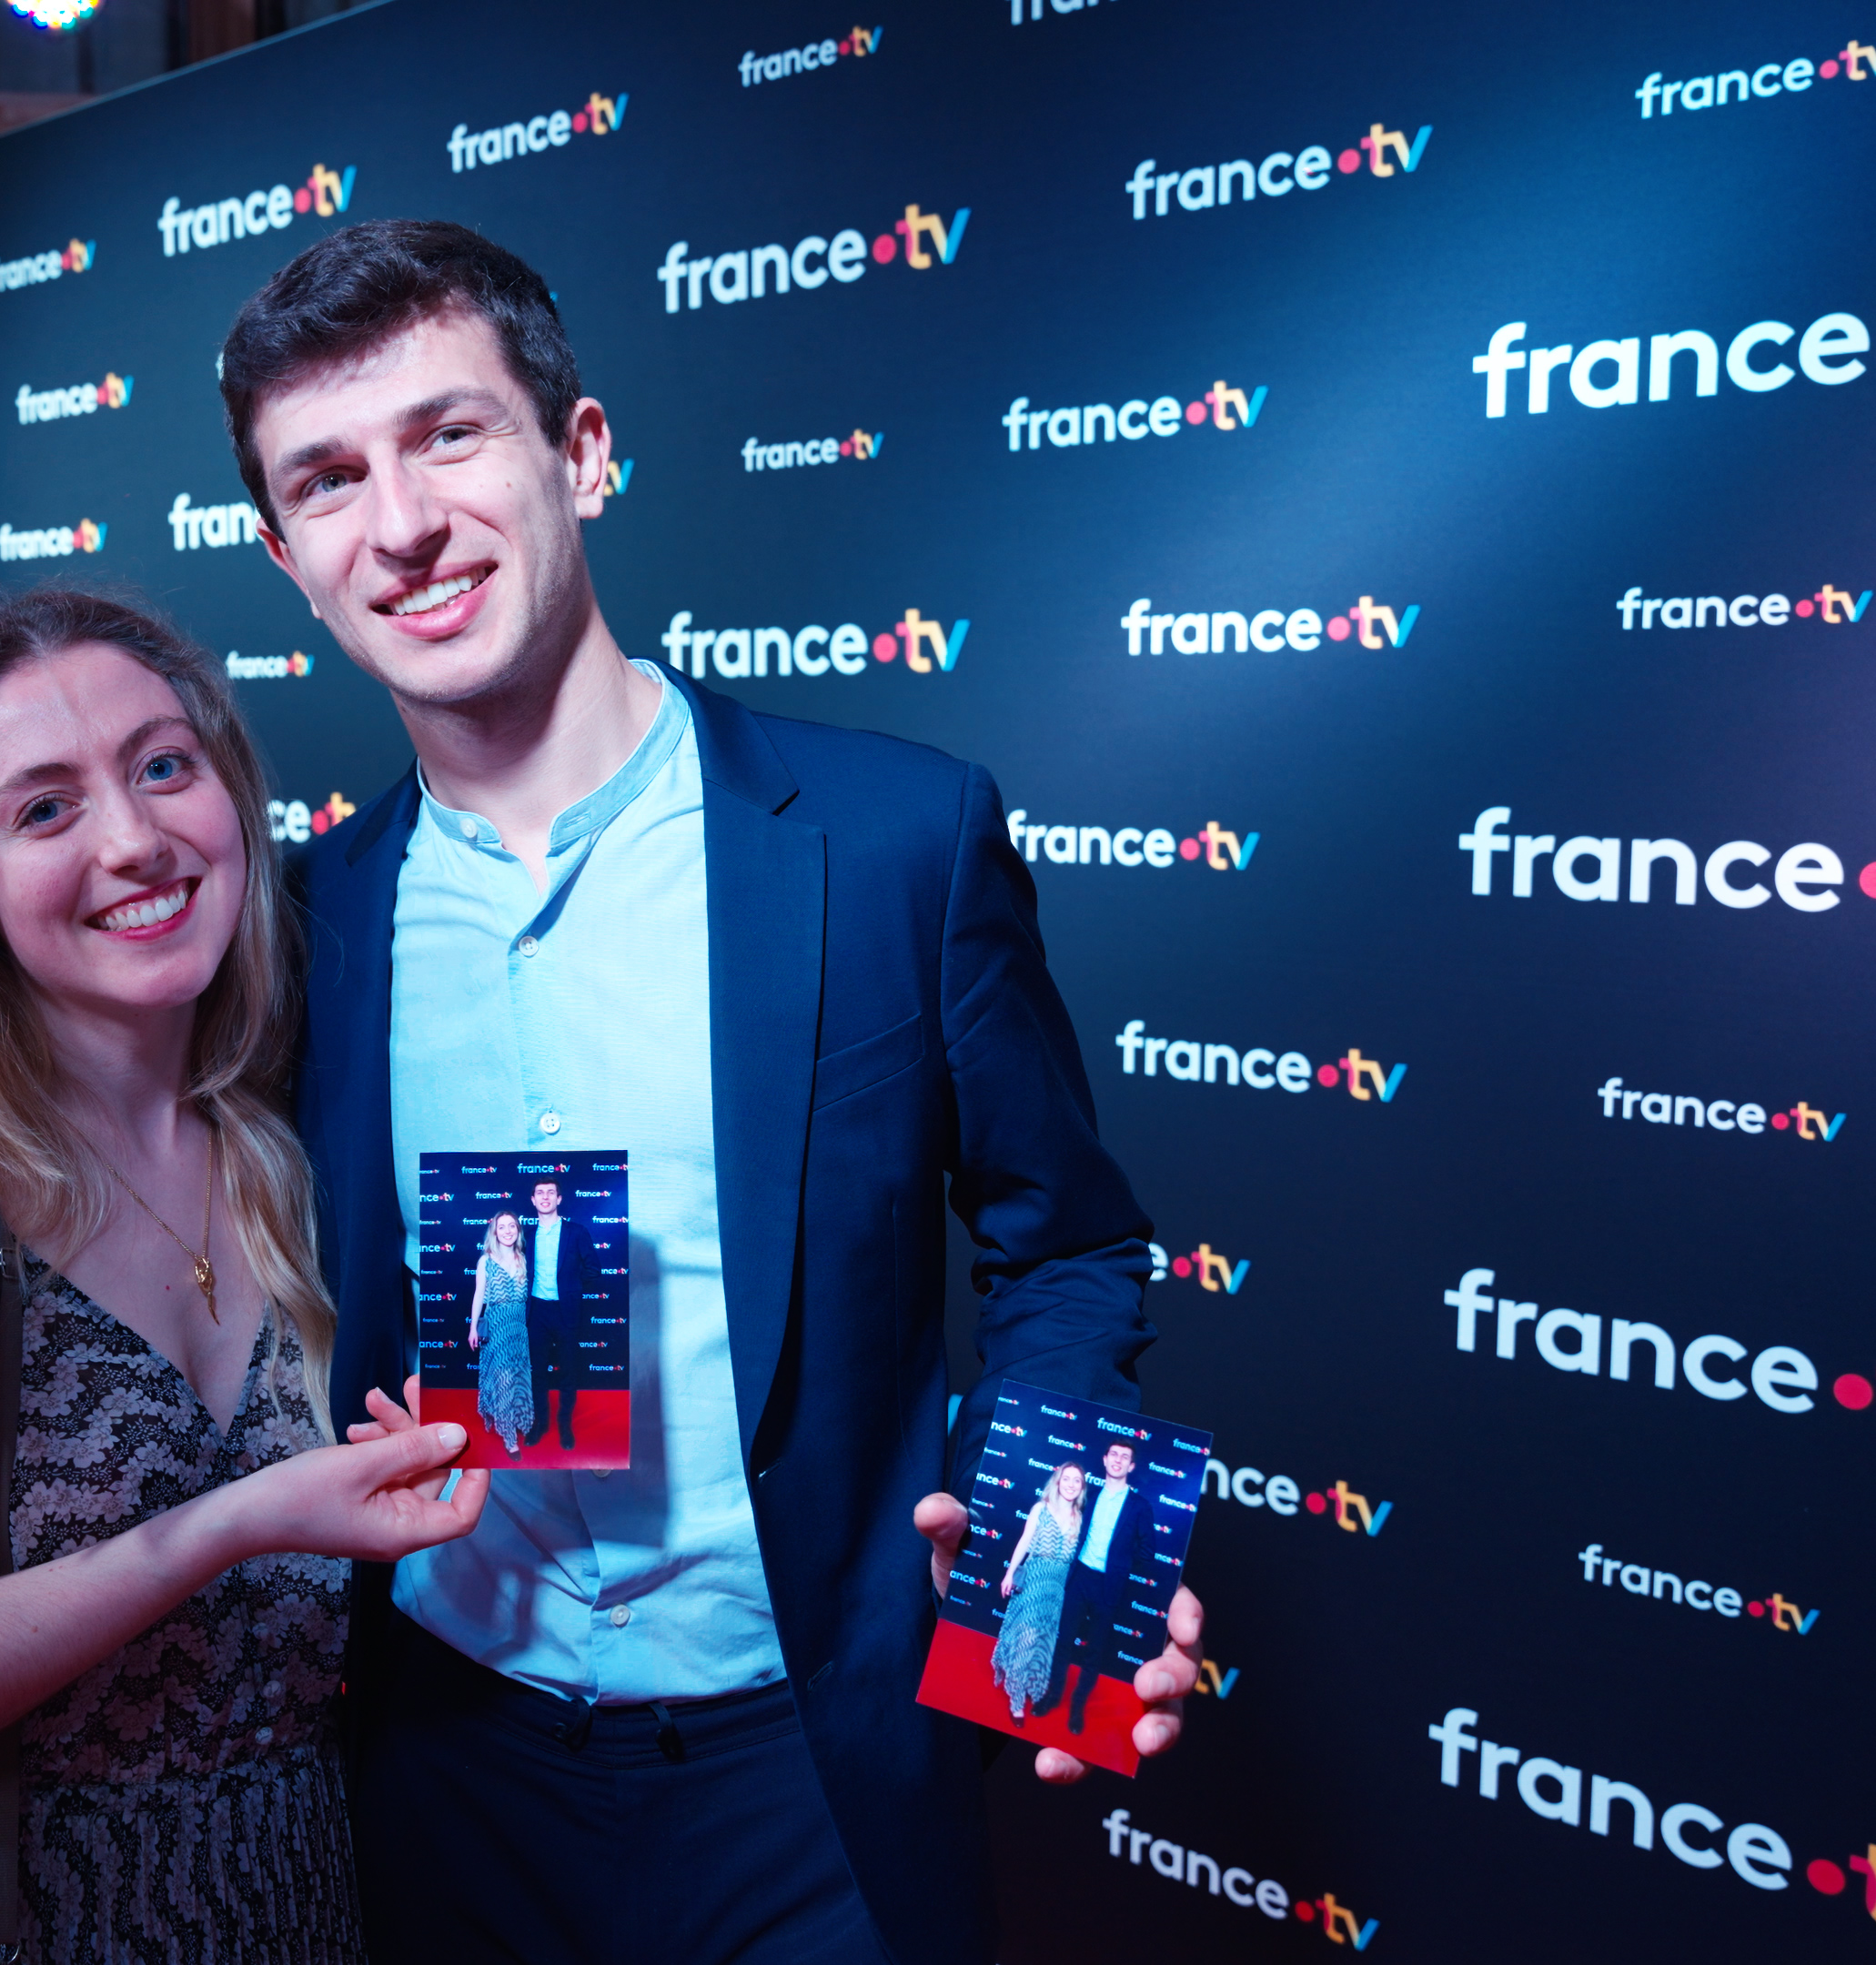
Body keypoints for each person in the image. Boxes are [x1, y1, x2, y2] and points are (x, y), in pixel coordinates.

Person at [225, 219, 1204, 1965]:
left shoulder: (895, 842)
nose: (404, 523)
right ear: (289, 557)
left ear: (582, 453)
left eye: (451, 435)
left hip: (813, 1779)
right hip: (447, 1766)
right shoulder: (309, 925)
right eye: (329, 480)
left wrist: (1064, 1565)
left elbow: (1069, 1247)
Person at [0, 590, 489, 1965]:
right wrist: (236, 1523)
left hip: (302, 1906)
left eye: (164, 766)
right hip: (15, 1927)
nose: (134, 840)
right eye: (45, 808)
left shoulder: (285, 1146)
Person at [1056, 1440, 1154, 1734]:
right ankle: (1052, 1696)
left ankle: (1077, 1708)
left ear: (1131, 1466)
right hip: (1080, 1577)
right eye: (1114, 1454)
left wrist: (1120, 1563)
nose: (1118, 1460)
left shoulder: (1140, 1506)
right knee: (1063, 1640)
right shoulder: (1091, 1495)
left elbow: (1147, 1552)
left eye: (1125, 1457)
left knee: (1095, 1650)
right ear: (1105, 1459)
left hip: (1109, 1584)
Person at [991, 1464, 1085, 1723]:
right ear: (1057, 1482)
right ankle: (1017, 1700)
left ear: (1082, 1488)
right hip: (1034, 1581)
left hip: (1057, 1589)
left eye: (1077, 1480)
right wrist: (1010, 1573)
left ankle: (1033, 1685)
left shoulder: (1079, 1518)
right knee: (1028, 1637)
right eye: (1066, 1479)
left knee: (1044, 1640)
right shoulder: (1041, 1508)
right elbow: (1024, 1541)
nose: (1071, 1484)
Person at [519, 1175, 589, 1448]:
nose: (545, 1197)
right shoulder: (526, 1235)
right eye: (540, 1192)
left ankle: (565, 1427)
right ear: (533, 1200)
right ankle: (540, 1424)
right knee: (537, 1373)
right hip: (536, 1312)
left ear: (559, 1199)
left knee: (568, 1372)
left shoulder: (576, 1232)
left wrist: (570, 1286)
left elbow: (593, 1269)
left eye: (550, 1192)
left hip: (565, 1311)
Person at [464, 1209, 535, 1456]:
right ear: (494, 1232)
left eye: (512, 1226)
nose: (507, 1231)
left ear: (518, 1231)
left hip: (519, 1328)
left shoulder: (523, 1259)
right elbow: (479, 1296)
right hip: (497, 1327)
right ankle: (509, 1437)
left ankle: (520, 1419)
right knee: (504, 1380)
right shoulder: (486, 1261)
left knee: (519, 1377)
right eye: (502, 1227)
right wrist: (473, 1328)